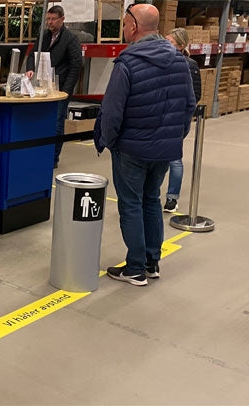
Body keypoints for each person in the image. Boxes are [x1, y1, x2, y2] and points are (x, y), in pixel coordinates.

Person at [94, 4, 196, 286]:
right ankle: (152, 262)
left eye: (124, 23)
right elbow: (189, 105)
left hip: (132, 149)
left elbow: (112, 111)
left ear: (134, 26)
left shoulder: (127, 63)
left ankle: (135, 268)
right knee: (151, 200)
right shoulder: (179, 61)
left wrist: (110, 141)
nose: (123, 28)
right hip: (164, 150)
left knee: (130, 204)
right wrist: (174, 137)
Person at [25, 5, 82, 169]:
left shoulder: (70, 39)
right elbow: (32, 54)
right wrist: (30, 69)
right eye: (48, 19)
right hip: (43, 87)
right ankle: (41, 154)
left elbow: (76, 66)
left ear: (62, 19)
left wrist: (66, 90)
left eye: (53, 19)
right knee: (43, 121)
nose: (50, 22)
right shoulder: (43, 36)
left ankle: (53, 158)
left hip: (61, 88)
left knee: (57, 123)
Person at [163, 27, 201, 213]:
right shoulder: (161, 62)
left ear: (181, 45)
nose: (166, 44)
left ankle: (172, 198)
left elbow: (195, 95)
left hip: (176, 120)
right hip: (159, 119)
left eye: (170, 42)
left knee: (174, 160)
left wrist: (182, 119)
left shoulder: (189, 65)